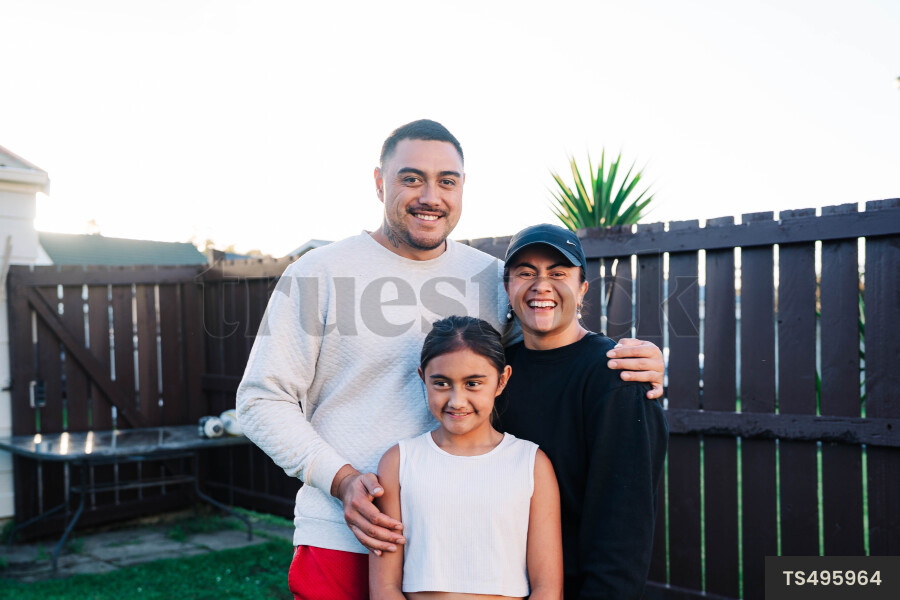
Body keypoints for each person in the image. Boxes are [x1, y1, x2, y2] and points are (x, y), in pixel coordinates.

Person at [236, 119, 665, 600]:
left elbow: (545, 344)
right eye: (411, 178)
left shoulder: (489, 276)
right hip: (352, 533)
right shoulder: (318, 272)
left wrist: (633, 360)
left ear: (462, 188)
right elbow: (260, 400)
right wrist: (342, 481)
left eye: (447, 181)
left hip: (468, 546)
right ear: (380, 182)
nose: (430, 196)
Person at [496, 223, 668, 600]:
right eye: (526, 273)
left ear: (582, 288)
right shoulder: (497, 374)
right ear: (508, 288)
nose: (541, 284)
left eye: (558, 273)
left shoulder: (618, 377)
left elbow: (624, 530)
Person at [369, 316, 563, 600]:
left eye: (473, 383)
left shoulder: (531, 464)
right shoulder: (399, 462)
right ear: (423, 377)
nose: (457, 400)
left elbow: (547, 588)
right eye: (442, 384)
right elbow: (385, 587)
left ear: (502, 380)